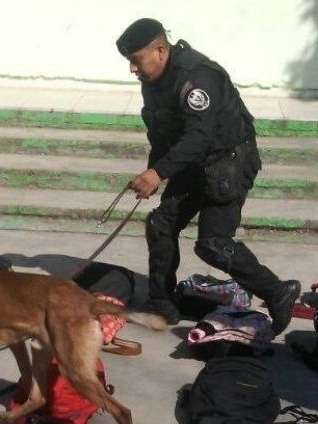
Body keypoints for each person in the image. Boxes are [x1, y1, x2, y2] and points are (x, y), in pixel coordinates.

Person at [115, 18, 300, 334]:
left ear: (160, 50)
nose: (132, 69)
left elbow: (198, 137)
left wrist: (158, 172)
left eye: (136, 60)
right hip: (193, 163)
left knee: (213, 244)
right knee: (161, 224)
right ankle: (162, 304)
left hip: (228, 161)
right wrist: (152, 172)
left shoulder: (197, 78)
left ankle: (277, 292)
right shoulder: (154, 81)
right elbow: (161, 134)